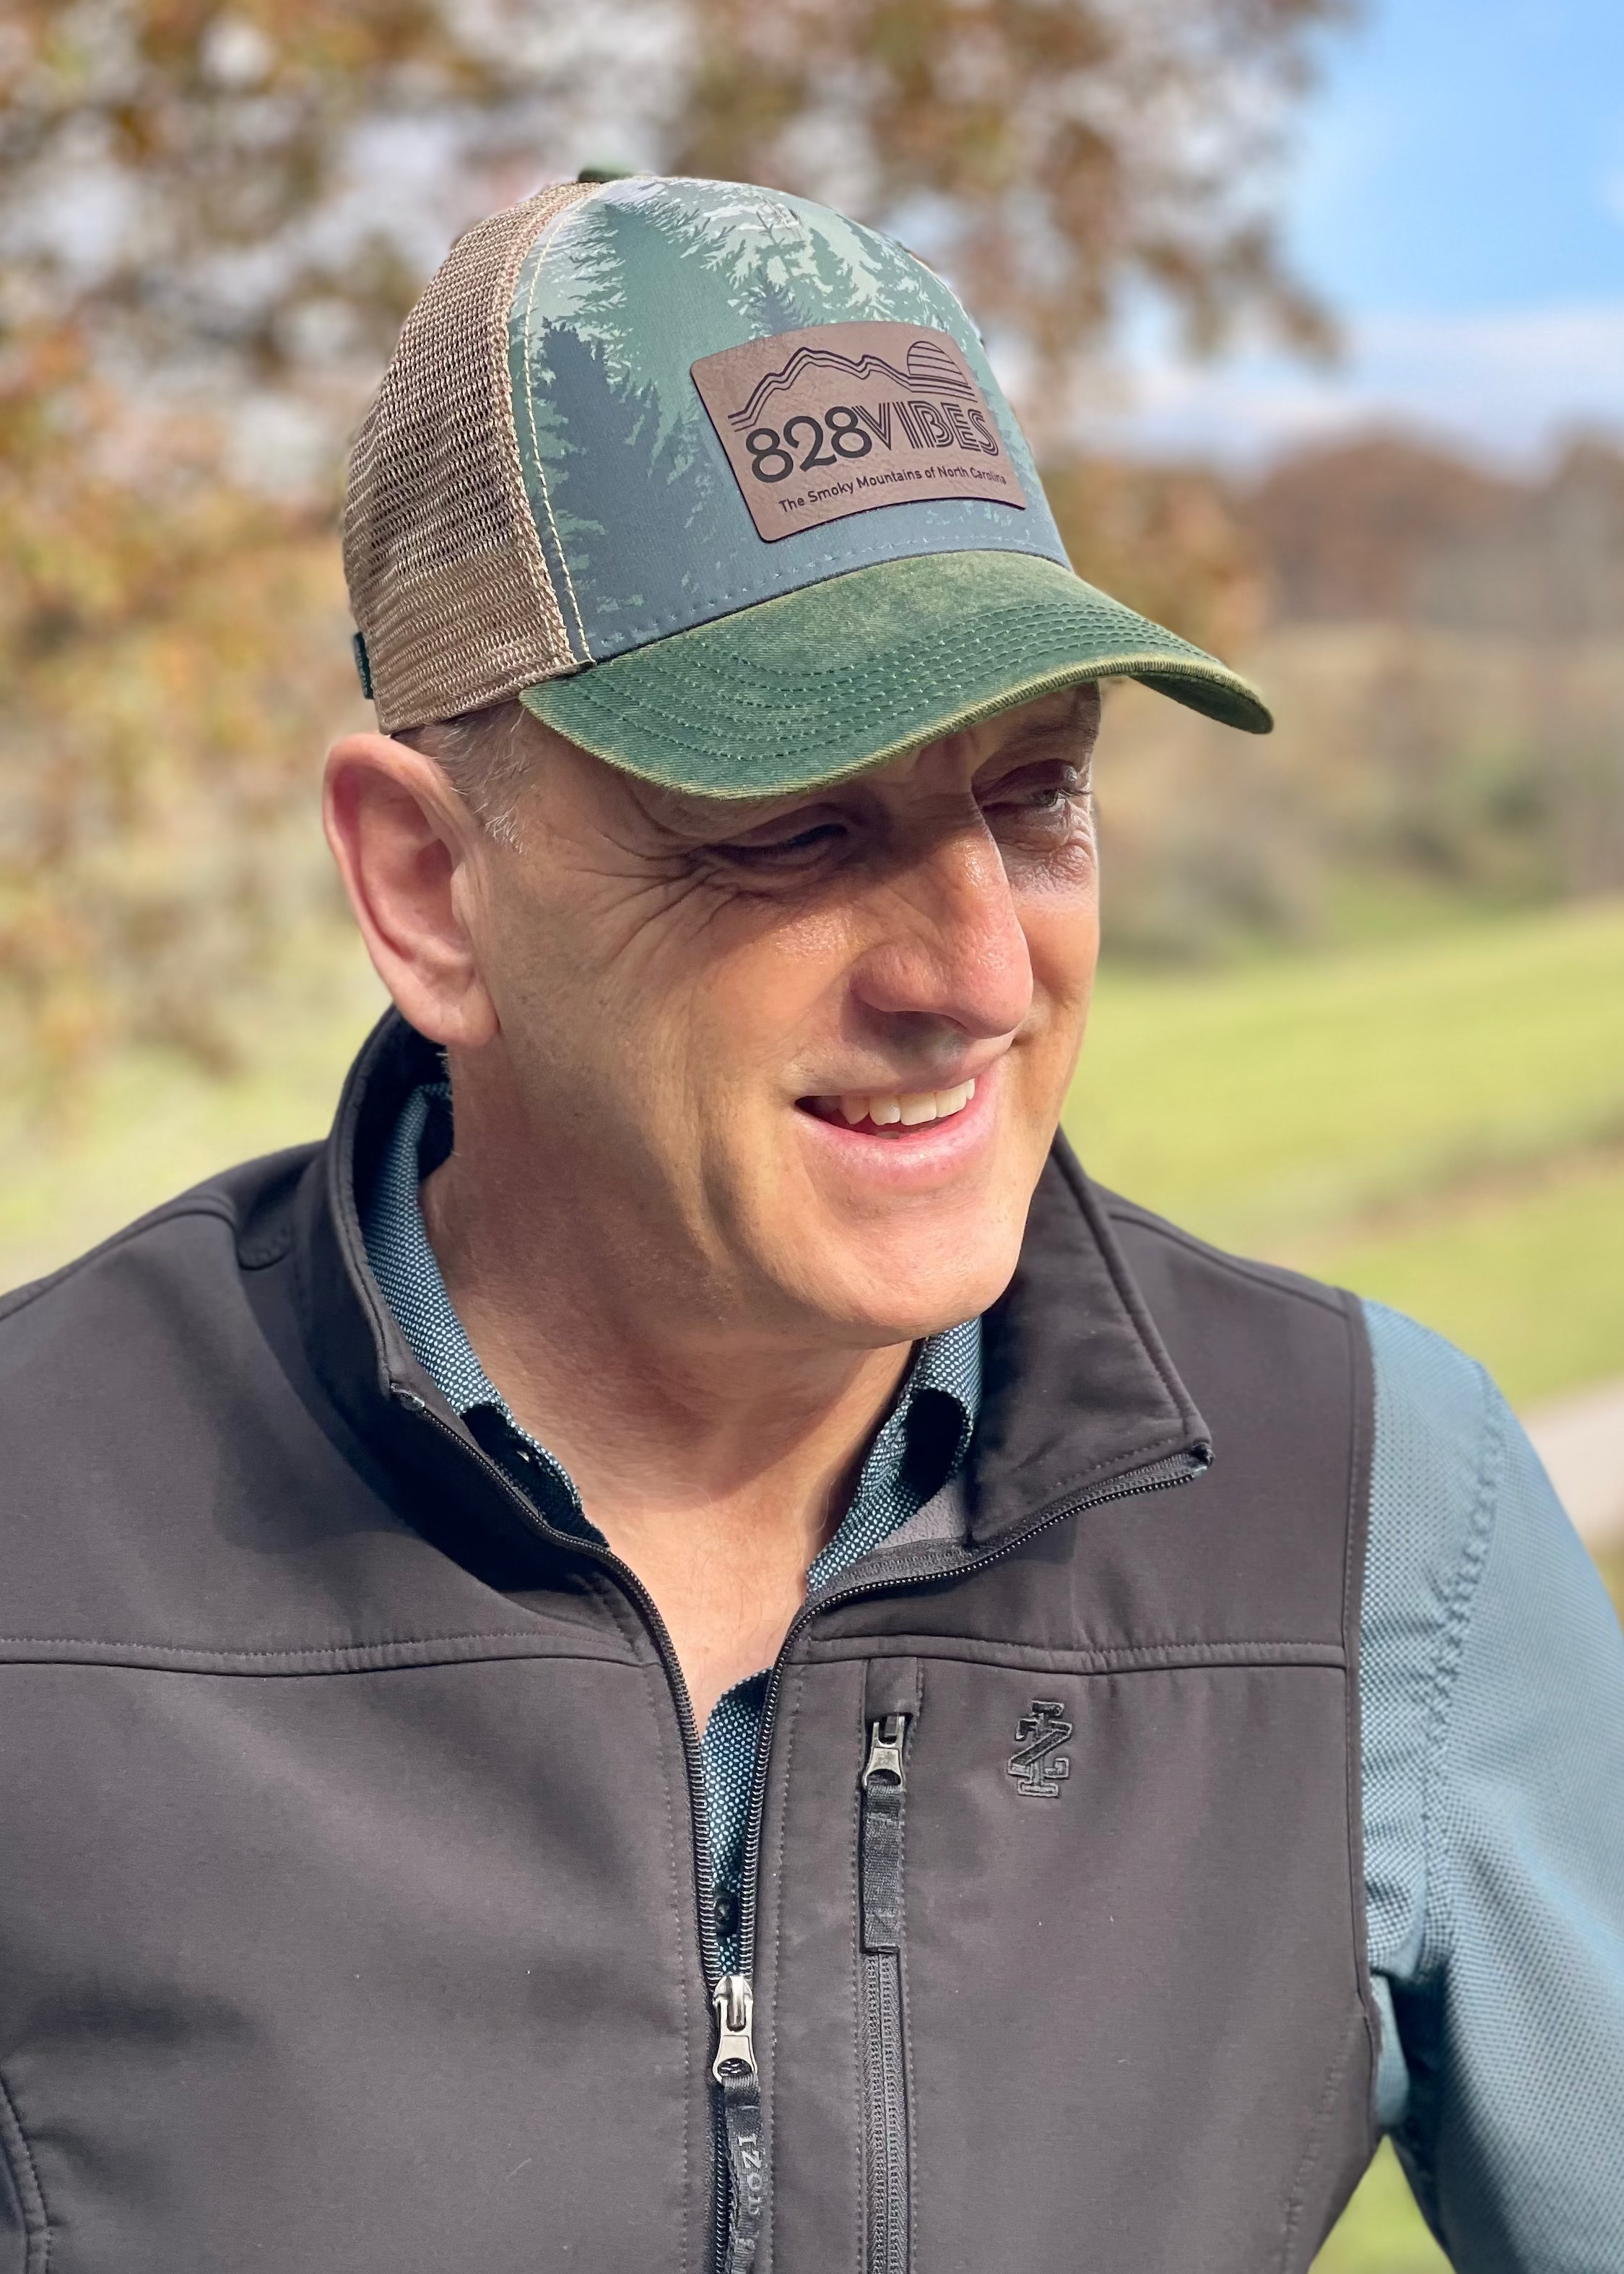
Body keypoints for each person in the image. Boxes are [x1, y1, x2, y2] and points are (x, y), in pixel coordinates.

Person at [0, 173, 1619, 2274]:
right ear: (424, 883)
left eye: (1033, 791)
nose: (975, 971)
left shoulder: (1387, 1507)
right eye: (793, 824)